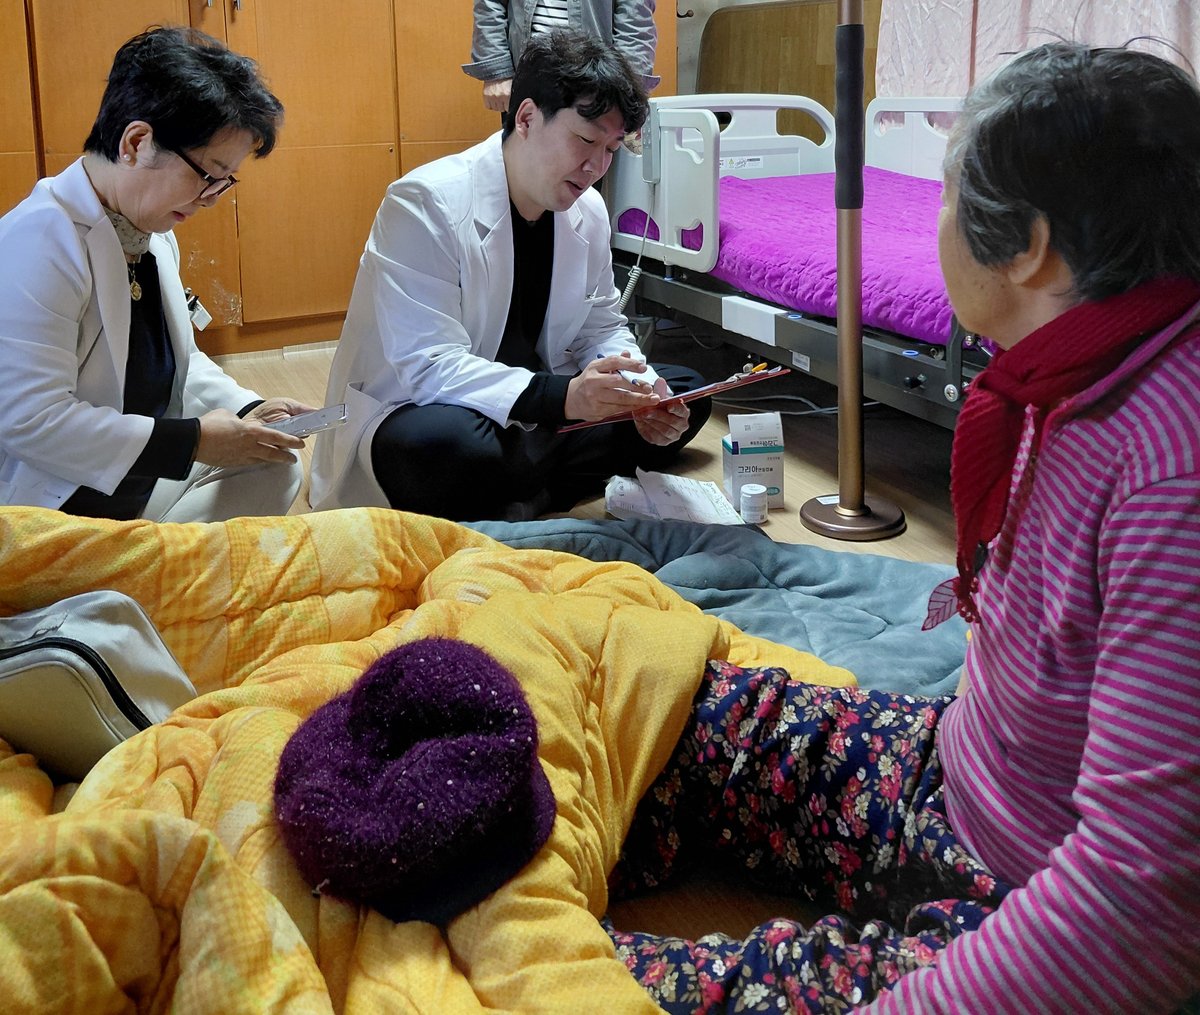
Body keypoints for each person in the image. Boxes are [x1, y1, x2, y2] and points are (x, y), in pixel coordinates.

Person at [603, 41, 1200, 1014]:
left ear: (1031, 247)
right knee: (670, 717)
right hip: (959, 773)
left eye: (948, 194)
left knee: (621, 992)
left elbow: (1137, 910)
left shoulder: (1172, 471)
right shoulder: (1072, 367)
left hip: (1041, 900)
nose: (936, 218)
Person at [311, 30, 709, 520]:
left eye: (611, 149)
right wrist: (566, 400)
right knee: (442, 446)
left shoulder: (588, 210)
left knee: (686, 389)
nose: (596, 166)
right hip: (436, 407)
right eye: (586, 140)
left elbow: (600, 328)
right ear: (526, 118)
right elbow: (430, 366)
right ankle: (544, 479)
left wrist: (640, 390)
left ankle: (523, 490)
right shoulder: (424, 203)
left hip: (539, 407)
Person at [0, 27, 314, 523]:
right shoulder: (38, 241)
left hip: (138, 479)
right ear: (136, 142)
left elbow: (182, 363)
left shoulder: (149, 229)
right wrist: (195, 442)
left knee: (274, 467)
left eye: (224, 181)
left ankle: (150, 557)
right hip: (58, 502)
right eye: (206, 175)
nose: (210, 198)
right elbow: (31, 421)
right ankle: (126, 562)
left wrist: (249, 411)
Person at [463, 0, 659, 114]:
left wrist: (628, 91)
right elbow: (489, 4)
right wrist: (497, 73)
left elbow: (635, 19)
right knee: (524, 168)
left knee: (588, 168)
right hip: (525, 78)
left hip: (596, 83)